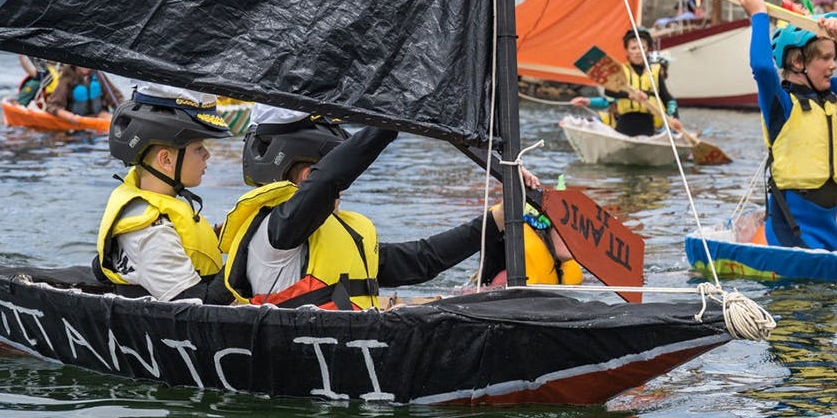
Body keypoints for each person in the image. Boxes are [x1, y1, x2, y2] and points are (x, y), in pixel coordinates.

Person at [218, 107, 577, 308]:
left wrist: (498, 216)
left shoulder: (346, 234)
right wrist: (397, 117)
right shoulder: (275, 237)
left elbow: (424, 260)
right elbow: (329, 181)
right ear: (308, 175)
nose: (345, 186)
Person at [739, 0, 837, 251]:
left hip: (829, 228)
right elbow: (762, 67)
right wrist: (758, 14)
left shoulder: (836, 93)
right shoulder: (781, 103)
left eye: (834, 57)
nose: (833, 66)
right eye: (825, 58)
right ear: (797, 62)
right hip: (792, 232)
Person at [96, 87, 236, 301]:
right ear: (166, 160)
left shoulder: (153, 206)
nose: (207, 155)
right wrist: (246, 254)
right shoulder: (150, 235)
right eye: (199, 148)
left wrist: (217, 234)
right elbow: (198, 306)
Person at [570, 29, 681, 137]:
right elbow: (609, 92)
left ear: (648, 50)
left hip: (648, 125)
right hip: (625, 123)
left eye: (642, 48)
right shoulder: (621, 70)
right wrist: (630, 95)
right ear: (627, 51)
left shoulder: (655, 72)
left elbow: (667, 98)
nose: (638, 52)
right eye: (633, 48)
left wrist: (674, 117)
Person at [41, 64, 124, 119]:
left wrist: (123, 110)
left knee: (108, 118)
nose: (86, 67)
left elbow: (116, 97)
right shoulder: (67, 79)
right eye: (82, 65)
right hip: (76, 119)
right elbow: (52, 106)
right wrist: (68, 116)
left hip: (99, 115)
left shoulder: (99, 75)